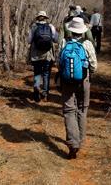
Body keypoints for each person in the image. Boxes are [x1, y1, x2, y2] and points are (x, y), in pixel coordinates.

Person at [57, 17, 97, 159]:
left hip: (67, 80)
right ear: (83, 31)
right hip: (83, 80)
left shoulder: (64, 42)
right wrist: (88, 75)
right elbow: (94, 65)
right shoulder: (87, 44)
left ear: (71, 29)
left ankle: (73, 143)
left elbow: (58, 62)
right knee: (82, 108)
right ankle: (80, 140)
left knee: (69, 110)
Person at [28, 10, 58, 102]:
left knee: (37, 73)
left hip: (36, 54)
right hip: (47, 54)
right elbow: (56, 39)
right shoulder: (51, 26)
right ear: (46, 18)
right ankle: (45, 93)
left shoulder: (33, 27)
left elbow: (29, 40)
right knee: (46, 73)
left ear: (37, 17)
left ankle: (36, 90)